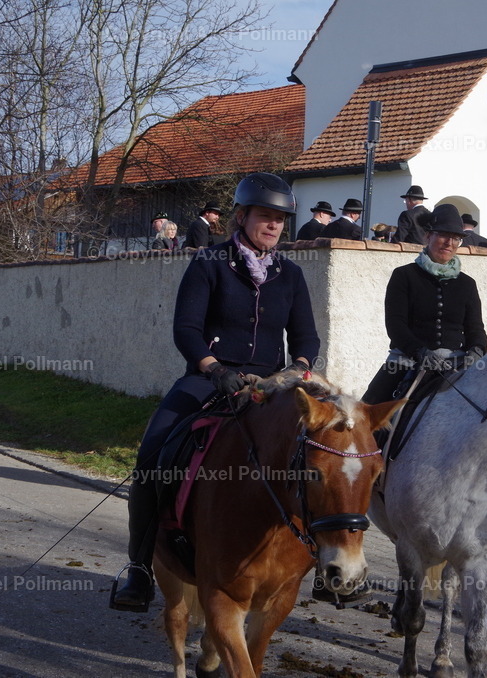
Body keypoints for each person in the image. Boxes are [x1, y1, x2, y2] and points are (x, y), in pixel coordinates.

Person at [110, 173, 320, 612]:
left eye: (280, 219)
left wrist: (293, 372)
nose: (274, 225)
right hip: (209, 379)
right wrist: (214, 369)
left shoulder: (292, 274)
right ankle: (139, 567)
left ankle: (325, 560)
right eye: (266, 216)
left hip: (270, 386)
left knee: (321, 454)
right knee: (152, 454)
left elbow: (305, 340)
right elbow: (186, 329)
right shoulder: (208, 262)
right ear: (242, 217)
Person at [362, 204, 487, 523]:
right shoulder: (404, 276)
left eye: (456, 238)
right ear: (428, 235)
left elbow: (476, 331)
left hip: (457, 366)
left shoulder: (467, 284)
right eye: (443, 236)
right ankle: (362, 487)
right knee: (366, 415)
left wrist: (475, 353)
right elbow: (395, 325)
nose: (449, 243)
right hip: (407, 362)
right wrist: (422, 353)